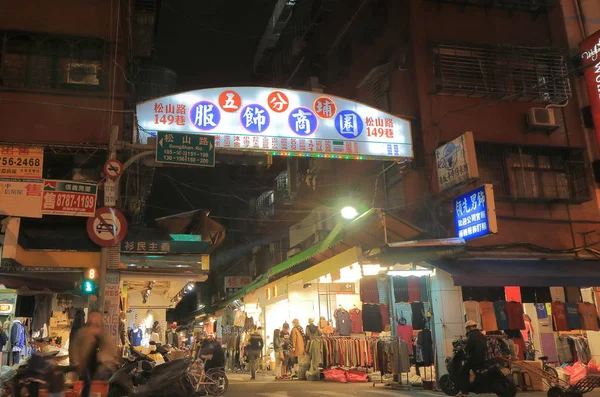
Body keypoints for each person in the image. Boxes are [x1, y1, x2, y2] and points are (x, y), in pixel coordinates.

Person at [71, 311, 118, 397]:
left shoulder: (106, 336)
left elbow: (111, 354)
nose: (94, 325)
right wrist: (76, 362)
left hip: (100, 376)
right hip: (84, 372)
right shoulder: (82, 334)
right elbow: (74, 349)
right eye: (92, 323)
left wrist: (108, 360)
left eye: (96, 323)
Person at [458, 320, 487, 397]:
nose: (467, 330)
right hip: (483, 358)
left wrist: (463, 349)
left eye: (467, 328)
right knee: (476, 373)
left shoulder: (472, 335)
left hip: (474, 358)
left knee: (463, 372)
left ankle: (464, 392)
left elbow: (468, 347)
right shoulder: (481, 335)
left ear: (470, 327)